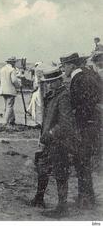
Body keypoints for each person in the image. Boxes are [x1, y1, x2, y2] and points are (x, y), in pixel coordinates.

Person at [29, 68, 75, 218]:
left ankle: (62, 207)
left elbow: (66, 123)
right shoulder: (52, 95)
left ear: (58, 81)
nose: (48, 86)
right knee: (42, 167)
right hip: (48, 141)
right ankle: (39, 198)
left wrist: (49, 134)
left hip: (59, 142)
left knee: (61, 173)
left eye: (50, 83)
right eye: (46, 83)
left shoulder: (64, 97)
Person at [60, 52, 102, 209]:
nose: (63, 69)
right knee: (85, 162)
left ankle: (85, 199)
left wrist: (76, 122)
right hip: (95, 124)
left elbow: (81, 105)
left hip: (85, 125)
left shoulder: (78, 79)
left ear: (71, 65)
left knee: (81, 161)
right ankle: (88, 197)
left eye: (64, 66)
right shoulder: (90, 73)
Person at [0, 57, 21, 126]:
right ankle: (5, 122)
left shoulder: (2, 69)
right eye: (14, 62)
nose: (15, 63)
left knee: (8, 105)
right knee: (9, 106)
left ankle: (12, 120)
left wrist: (0, 88)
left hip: (3, 90)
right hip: (10, 90)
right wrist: (19, 85)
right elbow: (14, 80)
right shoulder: (12, 70)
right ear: (12, 62)